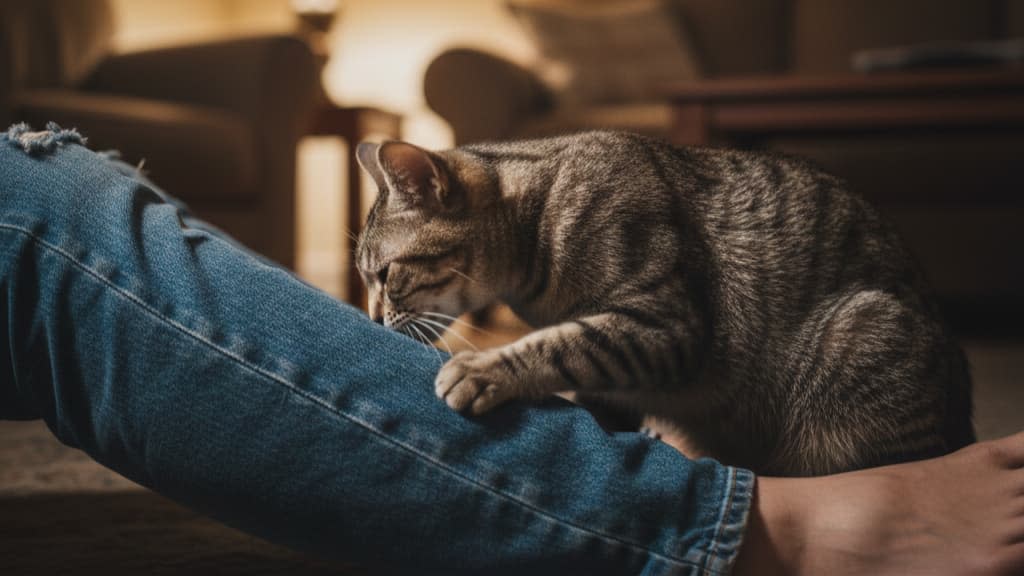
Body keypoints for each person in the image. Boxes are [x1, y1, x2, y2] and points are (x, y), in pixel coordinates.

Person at [1, 122, 1022, 576]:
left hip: (835, 388)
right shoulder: (535, 235)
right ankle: (746, 526)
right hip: (738, 405)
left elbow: (667, 341)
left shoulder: (600, 194)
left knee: (57, 204)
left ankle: (778, 513)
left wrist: (523, 364)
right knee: (50, 216)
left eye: (394, 275)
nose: (384, 305)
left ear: (439, 190)